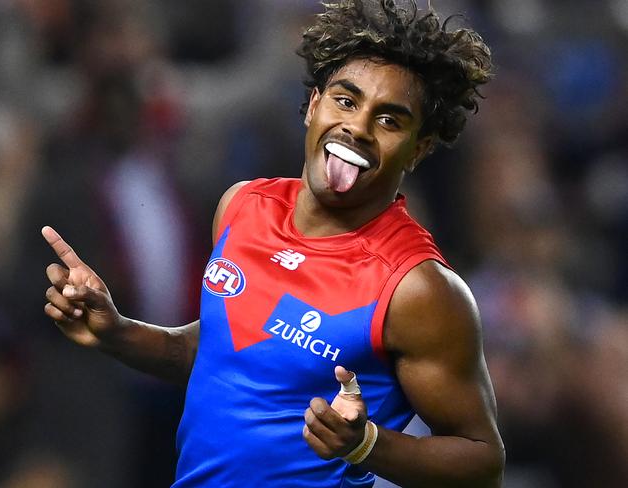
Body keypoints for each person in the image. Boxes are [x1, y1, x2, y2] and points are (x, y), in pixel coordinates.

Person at [42, 1, 504, 486]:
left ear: (421, 147)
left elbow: (482, 462)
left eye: (390, 120)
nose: (358, 128)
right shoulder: (242, 207)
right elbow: (218, 356)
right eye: (345, 101)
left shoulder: (418, 289)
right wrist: (115, 331)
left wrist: (367, 444)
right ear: (312, 105)